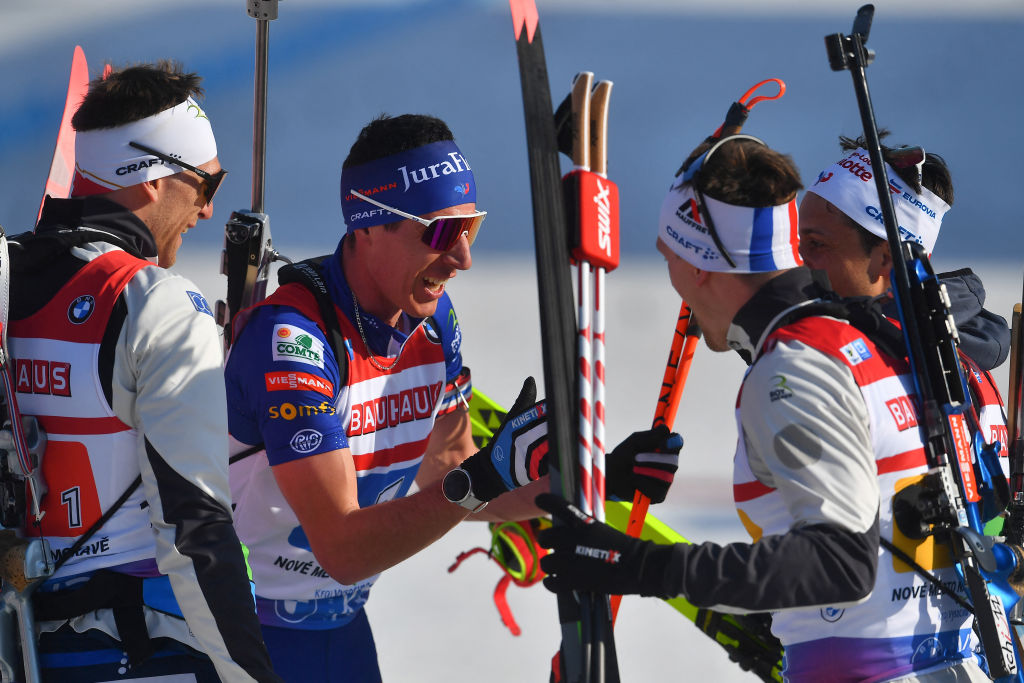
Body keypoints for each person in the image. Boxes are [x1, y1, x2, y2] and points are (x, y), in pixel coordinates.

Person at [224, 113, 681, 682]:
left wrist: (594, 481)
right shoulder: (293, 341)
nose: (463, 258)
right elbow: (343, 551)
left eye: (471, 228)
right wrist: (481, 481)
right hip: (244, 637)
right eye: (441, 233)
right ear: (369, 224)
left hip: (341, 634)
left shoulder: (433, 322)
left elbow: (452, 472)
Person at [537, 134, 989, 681]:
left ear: (697, 264)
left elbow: (839, 563)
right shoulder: (892, 348)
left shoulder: (801, 363)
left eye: (669, 256)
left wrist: (639, 566)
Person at [6, 62, 280, 682]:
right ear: (151, 181)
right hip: (139, 649)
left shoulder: (8, 275)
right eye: (205, 187)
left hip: (22, 642)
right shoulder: (152, 301)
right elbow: (196, 531)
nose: (208, 212)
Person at [799, 136, 1010, 469]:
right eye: (798, 240)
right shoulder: (954, 351)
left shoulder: (875, 359)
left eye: (816, 244)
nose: (800, 259)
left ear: (886, 258)